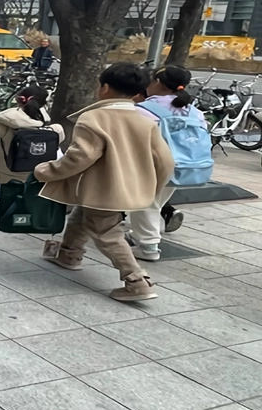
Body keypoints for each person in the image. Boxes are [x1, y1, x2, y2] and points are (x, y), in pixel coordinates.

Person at [34, 63, 173, 302]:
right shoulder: (145, 120)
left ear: (104, 88)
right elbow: (165, 161)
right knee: (82, 216)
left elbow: (80, 157)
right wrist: (151, 188)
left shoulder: (94, 118)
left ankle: (137, 281)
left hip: (103, 190)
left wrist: (45, 171)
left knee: (108, 234)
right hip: (126, 190)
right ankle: (69, 254)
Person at [128, 66, 197, 261]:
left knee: (145, 202)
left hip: (154, 164)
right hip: (185, 165)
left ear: (157, 82)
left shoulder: (146, 109)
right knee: (156, 202)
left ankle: (149, 247)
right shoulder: (192, 110)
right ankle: (149, 232)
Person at [0, 87, 63, 183]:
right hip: (40, 172)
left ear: (20, 100)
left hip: (11, 173)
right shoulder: (55, 129)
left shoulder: (9, 125)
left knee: (10, 199)